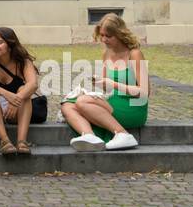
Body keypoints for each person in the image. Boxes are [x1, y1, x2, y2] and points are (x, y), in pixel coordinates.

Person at [59, 13, 148, 151]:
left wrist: (112, 84)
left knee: (82, 102)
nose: (104, 39)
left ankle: (123, 134)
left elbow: (144, 92)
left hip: (133, 106)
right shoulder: (106, 54)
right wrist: (98, 85)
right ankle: (89, 137)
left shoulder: (134, 54)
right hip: (113, 102)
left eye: (109, 36)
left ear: (119, 34)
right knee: (67, 105)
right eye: (102, 35)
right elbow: (107, 91)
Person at [0, 27, 40, 156]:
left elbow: (33, 85)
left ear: (10, 45)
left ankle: (22, 141)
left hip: (14, 110)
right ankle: (4, 141)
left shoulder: (23, 62)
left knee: (24, 89)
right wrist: (7, 94)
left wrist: (16, 99)